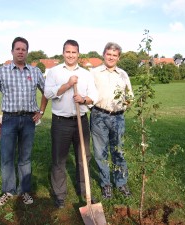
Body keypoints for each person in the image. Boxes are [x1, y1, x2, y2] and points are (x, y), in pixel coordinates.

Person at [0, 37, 48, 206]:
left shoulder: (35, 72)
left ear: (27, 52)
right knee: (7, 157)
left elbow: (46, 91)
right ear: (12, 51)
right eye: (18, 49)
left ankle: (24, 191)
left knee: (25, 157)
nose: (21, 51)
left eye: (24, 49)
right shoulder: (2, 71)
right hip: (9, 120)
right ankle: (8, 190)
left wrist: (41, 111)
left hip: (29, 120)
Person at [44, 39, 98, 208]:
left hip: (81, 120)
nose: (70, 55)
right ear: (63, 53)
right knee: (59, 159)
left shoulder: (86, 74)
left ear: (78, 54)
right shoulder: (53, 72)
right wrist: (68, 84)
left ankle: (85, 191)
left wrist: (83, 99)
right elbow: (48, 93)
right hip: (61, 122)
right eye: (68, 52)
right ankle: (60, 195)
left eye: (74, 52)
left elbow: (94, 97)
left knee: (84, 157)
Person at [90, 42, 134, 199]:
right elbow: (88, 93)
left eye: (115, 55)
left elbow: (130, 96)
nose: (111, 57)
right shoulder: (94, 73)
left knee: (118, 152)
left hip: (118, 117)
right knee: (101, 153)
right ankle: (106, 184)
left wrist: (123, 108)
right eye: (109, 54)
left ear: (118, 58)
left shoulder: (123, 74)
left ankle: (121, 183)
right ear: (104, 54)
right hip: (98, 116)